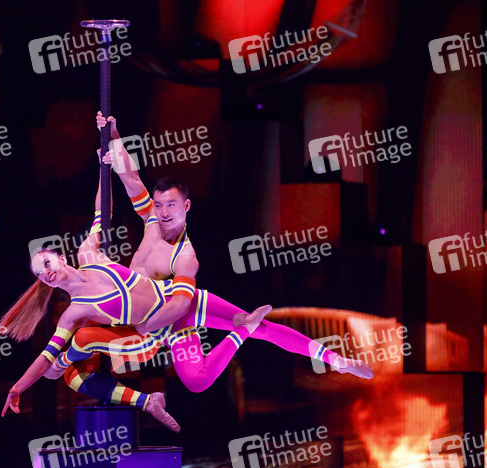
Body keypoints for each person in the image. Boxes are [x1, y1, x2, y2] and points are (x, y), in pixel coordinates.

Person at [94, 112, 373, 378]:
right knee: (196, 377)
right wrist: (113, 135)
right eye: (159, 205)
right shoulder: (152, 220)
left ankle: (336, 361)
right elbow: (130, 178)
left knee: (247, 339)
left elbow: (179, 307)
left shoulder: (185, 256)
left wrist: (144, 328)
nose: (164, 212)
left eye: (171, 205)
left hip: (172, 315)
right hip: (149, 318)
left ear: (186, 206)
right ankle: (244, 329)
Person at [0, 181, 271, 431]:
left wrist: (103, 167)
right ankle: (146, 401)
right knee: (71, 365)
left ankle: (243, 330)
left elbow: (101, 212)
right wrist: (18, 388)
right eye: (40, 273)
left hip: (165, 308)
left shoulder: (88, 254)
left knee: (71, 356)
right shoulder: (74, 313)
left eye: (47, 263)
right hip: (144, 337)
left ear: (61, 258)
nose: (46, 272)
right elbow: (45, 357)